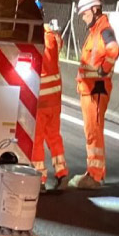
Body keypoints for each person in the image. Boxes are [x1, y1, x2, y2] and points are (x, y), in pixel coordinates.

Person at [69, 0, 119, 189]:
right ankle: (93, 171)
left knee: (94, 132)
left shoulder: (104, 30)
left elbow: (114, 50)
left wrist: (103, 69)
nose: (83, 17)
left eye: (84, 13)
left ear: (94, 9)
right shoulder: (96, 30)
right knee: (91, 131)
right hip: (90, 89)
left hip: (96, 89)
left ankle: (95, 176)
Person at [33, 19, 68, 191]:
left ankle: (39, 178)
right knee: (54, 137)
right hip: (54, 100)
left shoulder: (36, 39)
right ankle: (62, 173)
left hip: (41, 99)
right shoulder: (53, 37)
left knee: (37, 139)